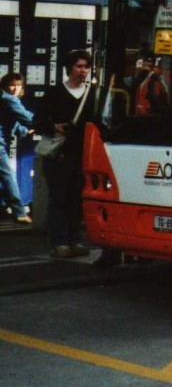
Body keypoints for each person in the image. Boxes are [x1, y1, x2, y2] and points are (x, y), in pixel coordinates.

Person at [35, 49, 97, 259]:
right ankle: (60, 242)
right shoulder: (55, 93)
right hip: (59, 154)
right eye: (78, 66)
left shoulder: (92, 94)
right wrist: (54, 127)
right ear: (69, 68)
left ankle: (75, 240)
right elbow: (38, 121)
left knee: (76, 199)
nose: (83, 70)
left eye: (86, 67)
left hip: (82, 154)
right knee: (59, 198)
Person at [0, 72, 34, 224]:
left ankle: (5, 205)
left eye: (18, 85)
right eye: (12, 85)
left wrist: (25, 131)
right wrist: (47, 123)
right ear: (5, 86)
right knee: (8, 176)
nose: (15, 88)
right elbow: (27, 117)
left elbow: (12, 121)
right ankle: (19, 212)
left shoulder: (5, 99)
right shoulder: (10, 99)